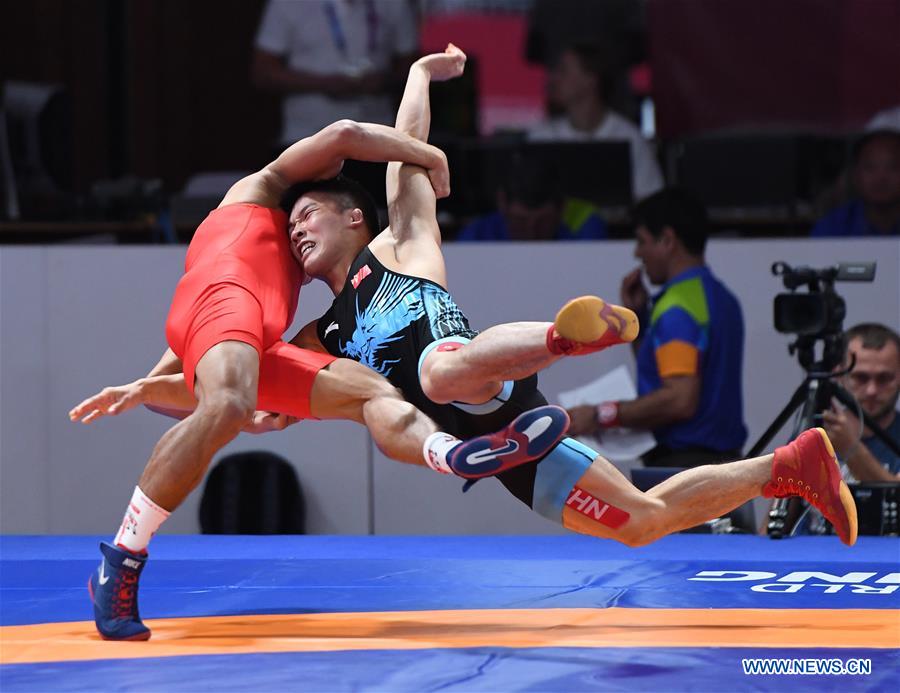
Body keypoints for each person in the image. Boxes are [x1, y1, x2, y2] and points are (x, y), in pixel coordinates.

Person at [284, 47, 856, 551]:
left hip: (482, 380)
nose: (298, 231)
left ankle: (565, 336)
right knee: (640, 521)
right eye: (290, 228)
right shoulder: (323, 336)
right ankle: (788, 466)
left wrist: (420, 72)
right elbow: (266, 399)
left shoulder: (395, 245)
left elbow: (407, 152)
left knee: (439, 374)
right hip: (501, 445)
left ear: (354, 217)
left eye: (308, 215)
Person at [71, 119, 569, 642]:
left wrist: (152, 385)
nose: (298, 230)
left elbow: (200, 337)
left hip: (250, 334)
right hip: (229, 306)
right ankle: (122, 559)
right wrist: (431, 153)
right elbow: (346, 135)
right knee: (230, 405)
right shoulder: (259, 189)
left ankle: (452, 454)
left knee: (371, 391)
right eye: (297, 219)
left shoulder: (296, 266)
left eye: (308, 218)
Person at [567, 187, 747, 468]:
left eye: (642, 241)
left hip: (684, 468)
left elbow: (679, 399)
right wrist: (640, 317)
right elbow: (670, 378)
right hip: (722, 464)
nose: (638, 253)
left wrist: (600, 415)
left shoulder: (677, 308)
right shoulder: (722, 299)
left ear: (667, 240)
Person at [252, 0, 418, 146]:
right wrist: (324, 84)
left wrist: (384, 82)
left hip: (378, 137)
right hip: (307, 139)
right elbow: (263, 72)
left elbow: (413, 67)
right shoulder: (288, 3)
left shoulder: (395, 3)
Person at [527, 42, 663, 202]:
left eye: (563, 71)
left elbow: (652, 199)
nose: (553, 78)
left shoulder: (629, 137)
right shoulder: (542, 137)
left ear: (591, 80)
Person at [456, 154, 607, 241]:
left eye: (543, 222)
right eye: (520, 222)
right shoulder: (477, 235)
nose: (532, 234)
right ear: (502, 203)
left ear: (562, 207)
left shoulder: (585, 226)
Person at [823, 323, 900, 481]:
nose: (872, 390)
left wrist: (850, 448)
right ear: (839, 374)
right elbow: (781, 504)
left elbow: (895, 502)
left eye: (884, 378)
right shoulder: (815, 431)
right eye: (860, 378)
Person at [811, 130, 900, 237]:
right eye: (870, 167)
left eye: (893, 167)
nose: (881, 178)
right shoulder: (832, 227)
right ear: (855, 174)